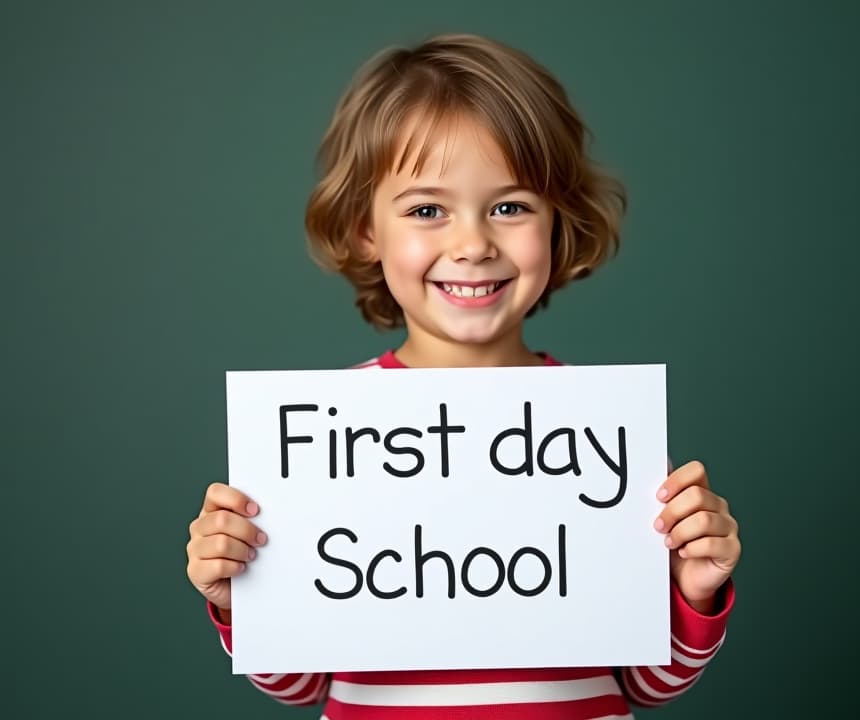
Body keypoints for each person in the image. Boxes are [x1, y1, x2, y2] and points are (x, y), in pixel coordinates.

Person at [185, 33, 741, 719]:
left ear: (556, 220)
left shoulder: (603, 436)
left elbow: (649, 685)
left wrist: (694, 592)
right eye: (426, 210)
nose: (473, 244)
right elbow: (303, 686)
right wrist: (243, 601)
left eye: (510, 206)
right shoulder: (322, 439)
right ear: (365, 230)